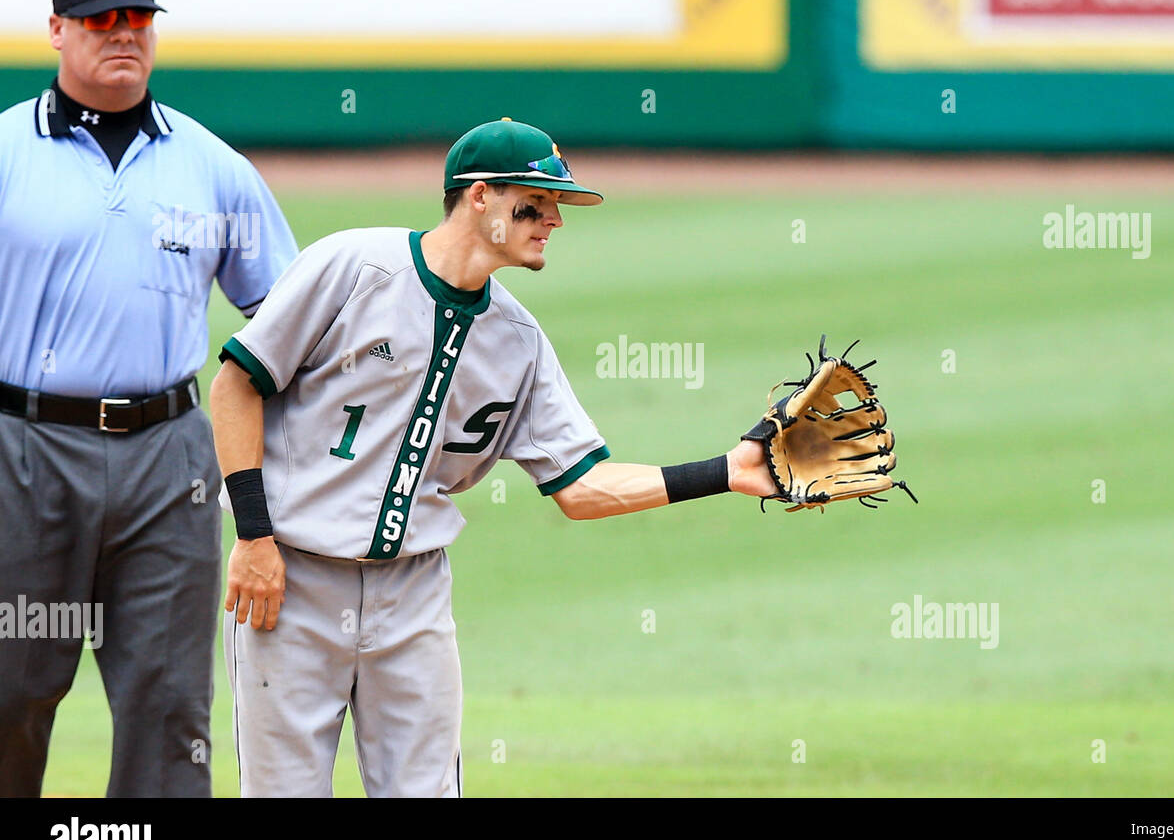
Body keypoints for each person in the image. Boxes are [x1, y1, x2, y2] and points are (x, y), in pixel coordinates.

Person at [211, 118, 776, 797]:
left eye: (557, 207)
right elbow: (236, 385)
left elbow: (582, 486)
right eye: (534, 204)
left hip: (411, 596)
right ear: (479, 196)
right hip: (290, 582)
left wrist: (725, 471)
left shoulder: (518, 341)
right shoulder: (354, 267)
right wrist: (253, 535)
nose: (553, 222)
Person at [0, 0, 297, 797]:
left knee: (169, 702)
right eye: (100, 19)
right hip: (24, 451)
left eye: (137, 18)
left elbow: (288, 317)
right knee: (11, 690)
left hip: (169, 460)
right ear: (57, 29)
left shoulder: (211, 166)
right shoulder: (9, 151)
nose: (121, 33)